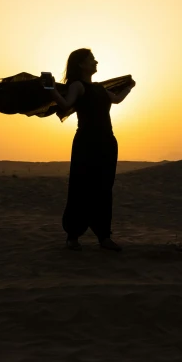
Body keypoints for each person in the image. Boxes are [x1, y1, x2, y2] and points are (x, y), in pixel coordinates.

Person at [44, 48, 136, 251]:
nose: (96, 62)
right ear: (81, 64)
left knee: (104, 188)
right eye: (91, 59)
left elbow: (117, 99)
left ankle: (104, 236)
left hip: (107, 142)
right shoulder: (78, 86)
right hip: (86, 142)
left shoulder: (100, 89)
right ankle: (73, 235)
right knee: (81, 187)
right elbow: (66, 103)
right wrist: (51, 89)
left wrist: (129, 87)